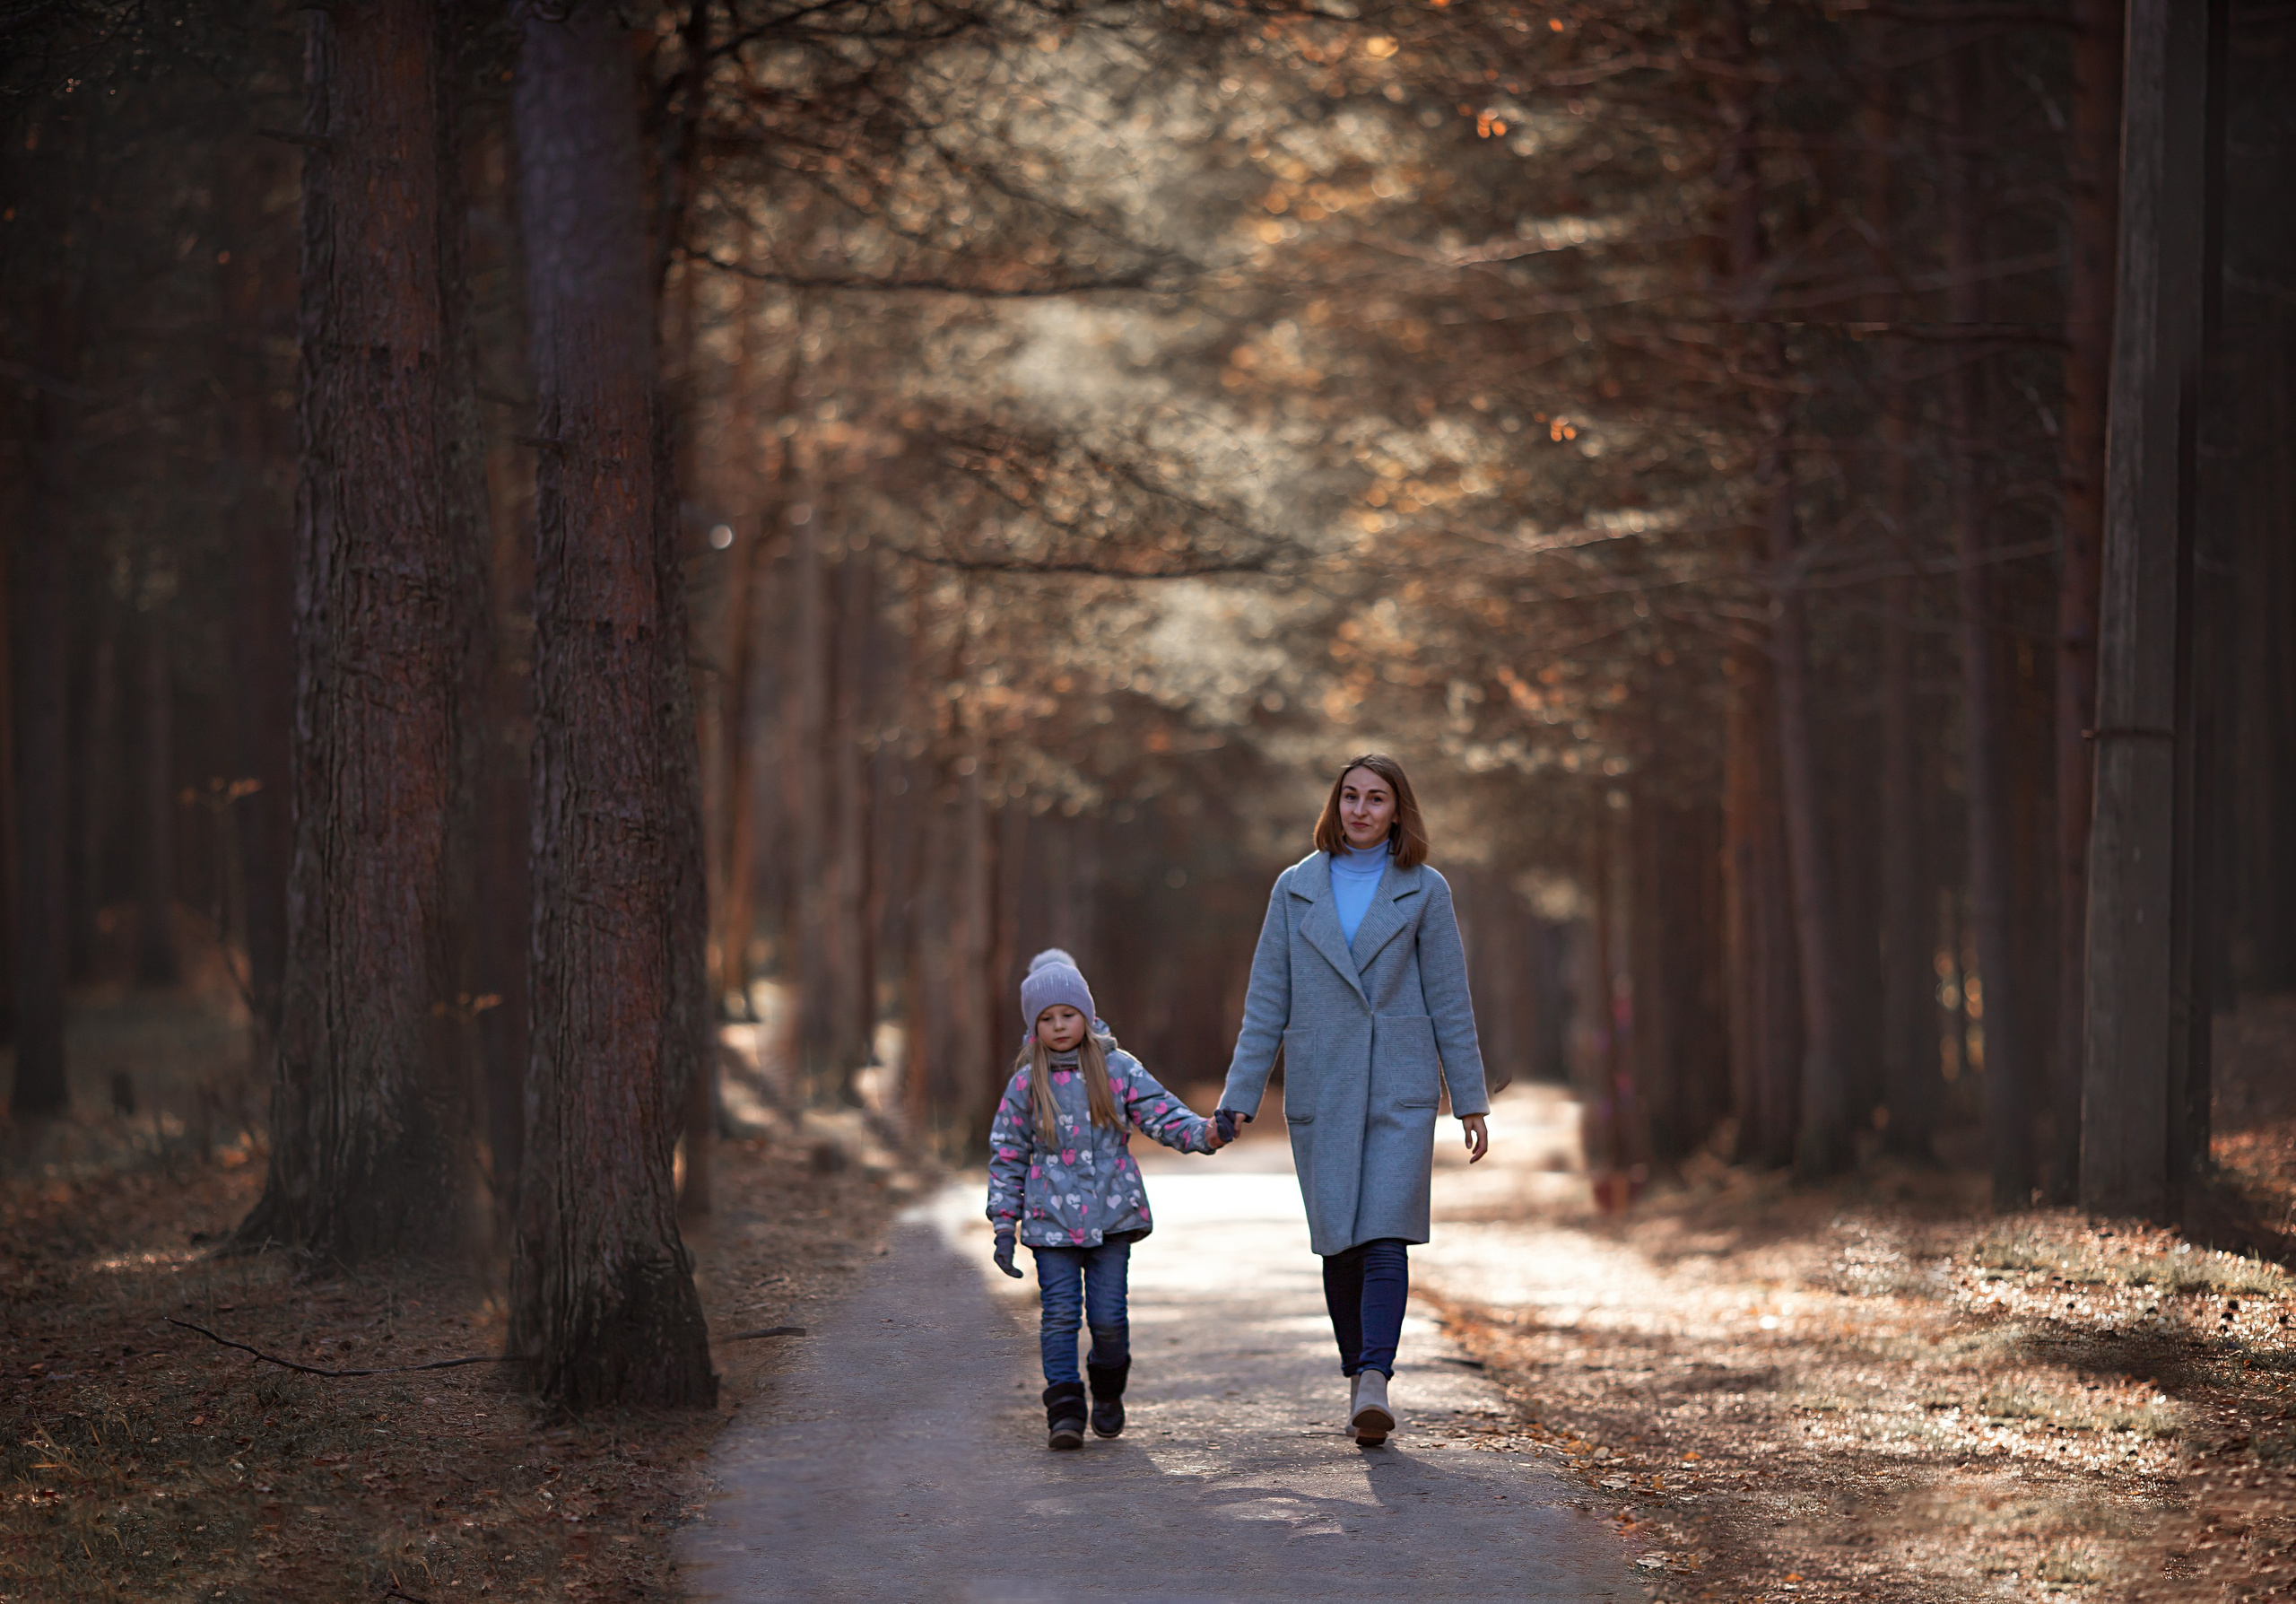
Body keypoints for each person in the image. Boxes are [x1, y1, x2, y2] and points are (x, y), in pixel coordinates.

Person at [1216, 752, 1491, 1448]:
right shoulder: (1295, 889)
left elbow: (1449, 1000)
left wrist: (1469, 1100)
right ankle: (1357, 1373)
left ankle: (1375, 1378)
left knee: (1385, 1233)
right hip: (1323, 1080)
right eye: (1350, 797)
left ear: (1398, 811)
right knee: (1338, 1240)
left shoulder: (1425, 889)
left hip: (1398, 1083)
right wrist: (1240, 1095)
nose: (1362, 809)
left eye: (1376, 798)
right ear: (1334, 806)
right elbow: (1267, 1000)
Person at [986, 950, 1231, 1450]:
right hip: (1050, 1221)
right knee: (1058, 1314)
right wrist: (1003, 1225)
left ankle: (1108, 1390)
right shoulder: (1025, 1084)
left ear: (1087, 1015)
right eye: (1047, 1019)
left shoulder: (1118, 1070)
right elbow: (1007, 1156)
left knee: (1108, 1318)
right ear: (1034, 1027)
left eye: (1068, 1015)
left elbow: (1161, 1114)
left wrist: (1205, 1133)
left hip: (1112, 1218)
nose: (1059, 1026)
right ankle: (1065, 1410)